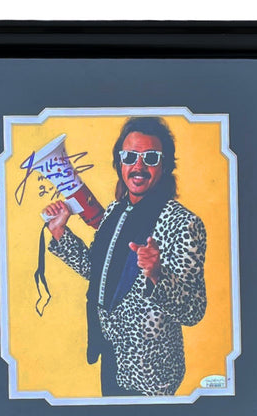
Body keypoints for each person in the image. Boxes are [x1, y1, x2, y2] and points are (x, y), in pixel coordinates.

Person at [45, 117, 207, 396]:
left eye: (151, 158)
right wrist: (60, 232)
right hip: (112, 356)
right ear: (120, 163)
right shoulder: (114, 211)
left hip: (151, 372)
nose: (138, 166)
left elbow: (193, 311)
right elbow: (98, 272)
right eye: (130, 156)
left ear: (165, 165)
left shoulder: (184, 223)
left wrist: (157, 275)